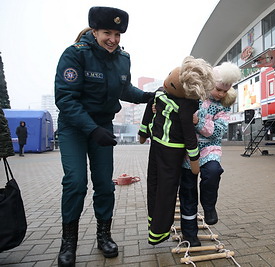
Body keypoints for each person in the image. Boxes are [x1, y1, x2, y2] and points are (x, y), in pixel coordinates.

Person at [54, 6, 154, 266]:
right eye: (107, 32)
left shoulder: (122, 58)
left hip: (102, 125)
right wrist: (92, 129)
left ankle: (104, 235)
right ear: (94, 31)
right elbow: (66, 99)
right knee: (76, 182)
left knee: (104, 184)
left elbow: (124, 88)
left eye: (118, 34)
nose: (113, 39)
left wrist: (148, 96)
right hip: (74, 127)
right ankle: (68, 243)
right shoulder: (75, 55)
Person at [138, 56, 215, 245]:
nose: (166, 83)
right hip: (156, 145)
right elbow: (149, 109)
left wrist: (194, 159)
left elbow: (189, 135)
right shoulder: (159, 93)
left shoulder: (186, 106)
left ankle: (159, 231)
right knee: (153, 184)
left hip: (173, 152)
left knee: (167, 190)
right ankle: (153, 225)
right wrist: (143, 132)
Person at [179, 62, 241, 247]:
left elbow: (219, 131)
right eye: (218, 89)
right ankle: (190, 234)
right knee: (188, 191)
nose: (221, 94)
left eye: (225, 91)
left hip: (210, 147)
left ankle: (209, 206)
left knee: (213, 171)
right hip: (187, 149)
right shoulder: (193, 95)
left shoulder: (223, 106)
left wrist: (198, 122)